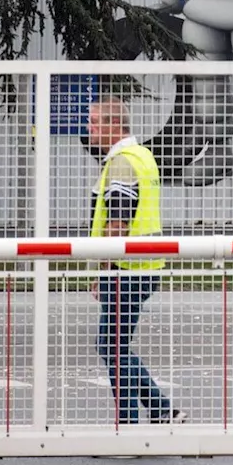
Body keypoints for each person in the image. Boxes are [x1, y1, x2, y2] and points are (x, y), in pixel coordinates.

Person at [86, 96, 187, 424]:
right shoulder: (142, 156)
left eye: (96, 123)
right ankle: (159, 411)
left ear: (114, 126)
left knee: (111, 347)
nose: (89, 129)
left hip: (126, 269)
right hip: (146, 266)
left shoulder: (122, 162)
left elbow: (118, 221)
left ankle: (131, 424)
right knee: (115, 346)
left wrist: (104, 268)